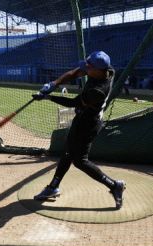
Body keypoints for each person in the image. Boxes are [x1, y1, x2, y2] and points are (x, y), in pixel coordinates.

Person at [31, 51, 126, 210]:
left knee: (80, 161)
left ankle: (114, 185)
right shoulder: (106, 69)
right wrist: (54, 84)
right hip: (81, 118)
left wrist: (48, 97)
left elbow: (73, 103)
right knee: (68, 152)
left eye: (89, 68)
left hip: (89, 124)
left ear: (98, 70)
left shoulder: (97, 91)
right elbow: (76, 72)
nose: (86, 70)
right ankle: (53, 187)